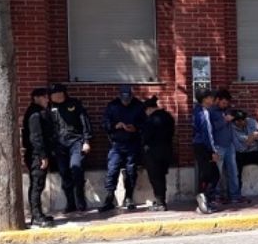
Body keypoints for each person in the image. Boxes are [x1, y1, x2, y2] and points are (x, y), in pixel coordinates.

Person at [99, 85, 146, 213]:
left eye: (128, 98)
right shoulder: (113, 106)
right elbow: (104, 123)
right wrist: (115, 125)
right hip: (117, 143)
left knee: (131, 170)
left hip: (133, 142)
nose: (126, 101)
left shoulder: (138, 106)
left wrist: (135, 127)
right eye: (124, 98)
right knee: (112, 169)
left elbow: (145, 123)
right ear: (120, 96)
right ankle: (109, 197)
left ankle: (129, 197)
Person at [49, 83, 92, 213]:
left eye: (54, 94)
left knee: (76, 168)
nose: (52, 97)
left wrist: (87, 141)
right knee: (64, 173)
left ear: (62, 93)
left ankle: (80, 200)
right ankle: (70, 203)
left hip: (76, 142)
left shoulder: (74, 104)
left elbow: (85, 122)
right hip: (59, 145)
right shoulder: (50, 107)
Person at [21, 87, 55, 228]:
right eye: (45, 97)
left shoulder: (39, 112)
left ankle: (39, 214)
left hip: (38, 153)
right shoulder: (34, 114)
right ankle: (36, 217)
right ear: (37, 98)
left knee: (38, 184)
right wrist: (42, 156)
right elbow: (36, 137)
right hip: (36, 154)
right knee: (37, 184)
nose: (48, 100)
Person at [141, 95, 175, 211]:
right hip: (167, 151)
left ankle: (160, 202)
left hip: (153, 153)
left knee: (155, 178)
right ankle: (161, 200)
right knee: (161, 176)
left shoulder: (151, 120)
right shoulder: (168, 117)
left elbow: (146, 137)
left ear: (149, 109)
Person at [209, 89, 240, 202]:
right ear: (217, 100)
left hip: (229, 145)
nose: (225, 105)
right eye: (223, 103)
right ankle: (217, 196)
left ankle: (234, 195)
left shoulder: (227, 110)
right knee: (217, 174)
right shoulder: (211, 112)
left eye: (227, 104)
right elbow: (212, 128)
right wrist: (225, 120)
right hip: (218, 146)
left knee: (233, 172)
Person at [193, 89, 220, 214]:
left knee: (206, 174)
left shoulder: (196, 110)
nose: (212, 100)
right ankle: (203, 198)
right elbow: (207, 134)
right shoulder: (204, 113)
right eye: (210, 97)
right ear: (204, 99)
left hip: (199, 146)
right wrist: (213, 151)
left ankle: (204, 201)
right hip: (204, 147)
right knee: (212, 175)